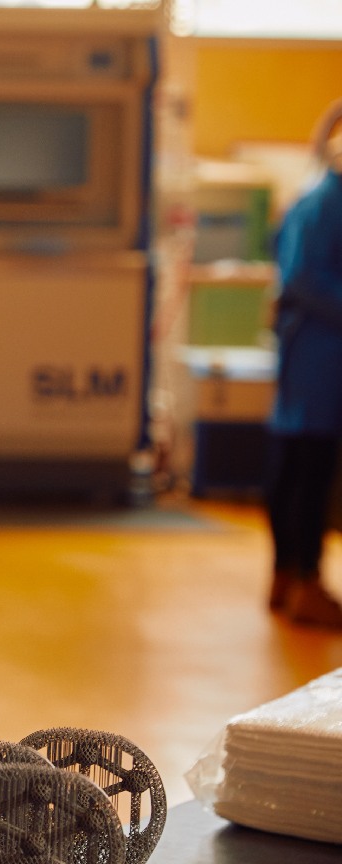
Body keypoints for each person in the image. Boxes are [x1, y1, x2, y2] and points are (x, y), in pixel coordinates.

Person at [265, 112, 342, 629]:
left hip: (312, 353)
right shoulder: (326, 204)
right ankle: (303, 580)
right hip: (321, 356)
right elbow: (302, 278)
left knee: (296, 464)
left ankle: (287, 575)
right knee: (308, 468)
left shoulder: (316, 199)